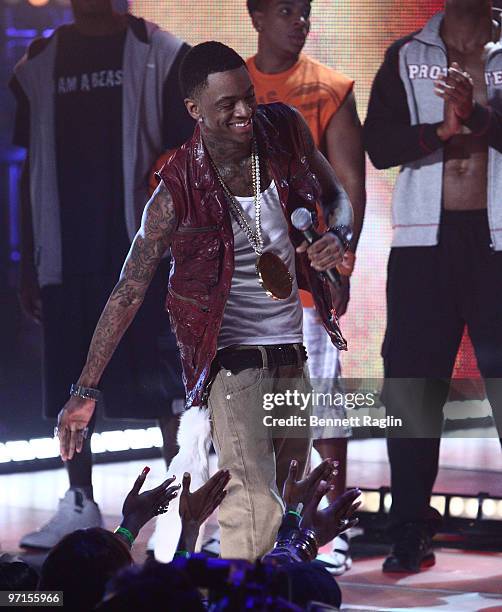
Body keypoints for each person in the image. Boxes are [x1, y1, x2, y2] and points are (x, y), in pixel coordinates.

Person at [55, 40, 353, 562]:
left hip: (292, 351)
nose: (244, 112)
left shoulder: (282, 129)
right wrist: (86, 388)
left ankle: (272, 595)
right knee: (254, 501)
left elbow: (336, 197)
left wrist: (340, 237)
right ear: (195, 110)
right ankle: (241, 598)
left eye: (247, 96)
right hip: (232, 365)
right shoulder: (176, 191)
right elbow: (129, 288)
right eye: (227, 105)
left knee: (285, 499)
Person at [9, 0, 194, 549]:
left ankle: (185, 504)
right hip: (67, 253)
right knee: (69, 385)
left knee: (167, 390)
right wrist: (27, 258)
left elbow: (188, 155)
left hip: (142, 255)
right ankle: (80, 502)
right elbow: (28, 168)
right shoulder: (38, 63)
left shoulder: (161, 52)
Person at [364, 0, 502, 573]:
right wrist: (441, 131)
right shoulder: (405, 56)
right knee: (413, 391)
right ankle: (412, 529)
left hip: (497, 245)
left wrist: (478, 119)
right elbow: (378, 144)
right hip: (424, 246)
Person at [246, 0, 366, 574]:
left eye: (306, 11)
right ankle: (264, 524)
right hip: (248, 288)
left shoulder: (329, 88)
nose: (300, 21)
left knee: (320, 407)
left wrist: (340, 255)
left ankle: (332, 523)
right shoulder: (231, 89)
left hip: (309, 283)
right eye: (287, 10)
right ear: (256, 14)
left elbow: (346, 185)